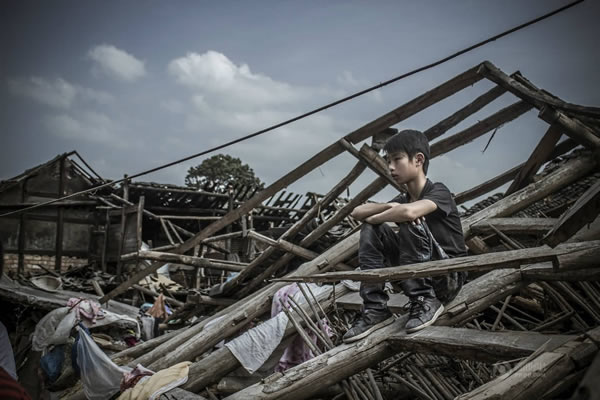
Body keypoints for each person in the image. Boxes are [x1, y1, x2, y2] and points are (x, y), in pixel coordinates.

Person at [343, 129, 467, 343]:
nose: (390, 167)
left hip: (448, 277)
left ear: (418, 159)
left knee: (407, 218)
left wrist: (386, 213)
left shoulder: (439, 192)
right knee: (371, 229)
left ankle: (425, 299)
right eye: (388, 161)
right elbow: (356, 212)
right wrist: (390, 207)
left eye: (397, 160)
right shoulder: (403, 198)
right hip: (414, 272)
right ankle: (375, 309)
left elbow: (409, 212)